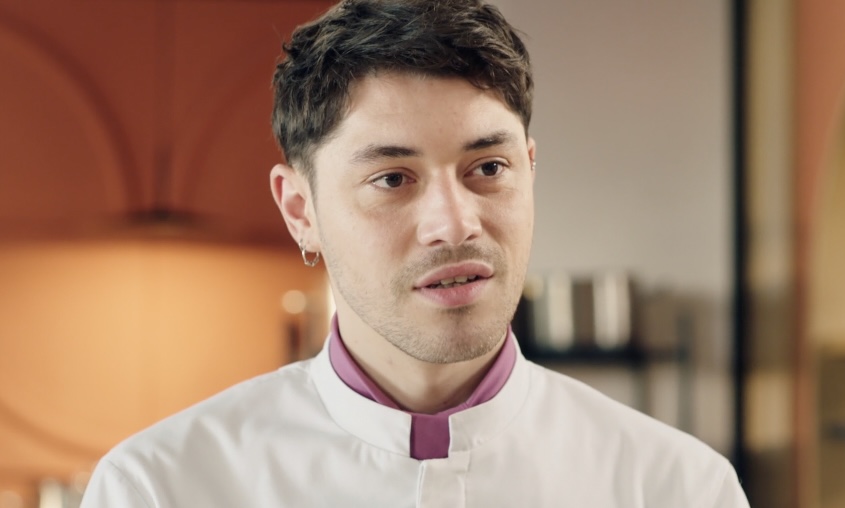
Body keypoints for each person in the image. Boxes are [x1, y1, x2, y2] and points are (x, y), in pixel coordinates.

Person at [81, 0, 750, 506]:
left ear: (530, 169)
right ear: (300, 211)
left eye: (488, 168)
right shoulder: (162, 487)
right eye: (392, 180)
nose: (455, 224)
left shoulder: (676, 487)